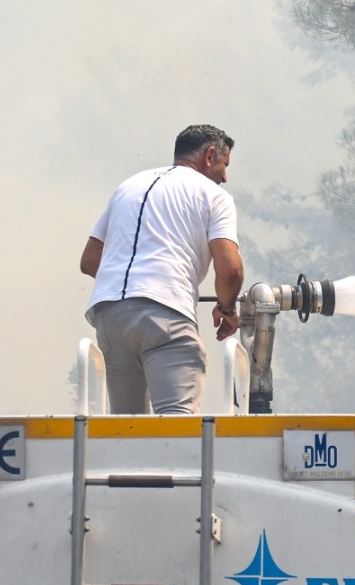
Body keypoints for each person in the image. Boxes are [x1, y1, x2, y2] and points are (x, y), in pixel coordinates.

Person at [79, 124, 244, 414]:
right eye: (224, 164)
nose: (225, 177)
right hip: (164, 314)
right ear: (209, 156)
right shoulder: (214, 196)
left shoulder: (128, 186)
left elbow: (91, 261)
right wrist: (227, 310)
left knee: (128, 427)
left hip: (108, 316)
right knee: (176, 426)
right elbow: (230, 271)